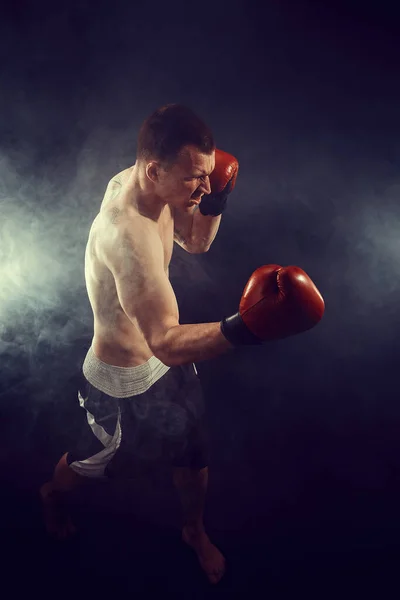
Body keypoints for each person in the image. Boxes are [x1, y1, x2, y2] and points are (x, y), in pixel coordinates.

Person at [40, 104, 325, 585]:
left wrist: (211, 202)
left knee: (193, 452)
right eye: (197, 178)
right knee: (90, 464)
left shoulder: (159, 182)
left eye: (210, 176)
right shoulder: (125, 234)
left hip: (168, 364)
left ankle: (193, 530)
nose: (206, 186)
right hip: (123, 386)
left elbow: (196, 243)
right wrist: (249, 328)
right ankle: (50, 494)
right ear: (154, 169)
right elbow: (167, 343)